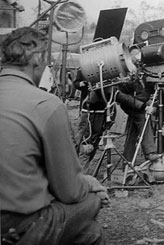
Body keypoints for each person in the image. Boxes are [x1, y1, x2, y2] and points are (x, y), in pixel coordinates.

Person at [0, 27, 108, 245]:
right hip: (15, 222)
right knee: (93, 200)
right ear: (37, 59)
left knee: (89, 233)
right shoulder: (46, 104)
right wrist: (89, 182)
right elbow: (69, 191)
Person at [115, 75, 159, 163]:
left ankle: (127, 160)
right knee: (143, 120)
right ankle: (150, 153)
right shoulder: (123, 78)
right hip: (133, 105)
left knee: (132, 131)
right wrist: (143, 107)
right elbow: (121, 96)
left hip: (138, 104)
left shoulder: (142, 74)